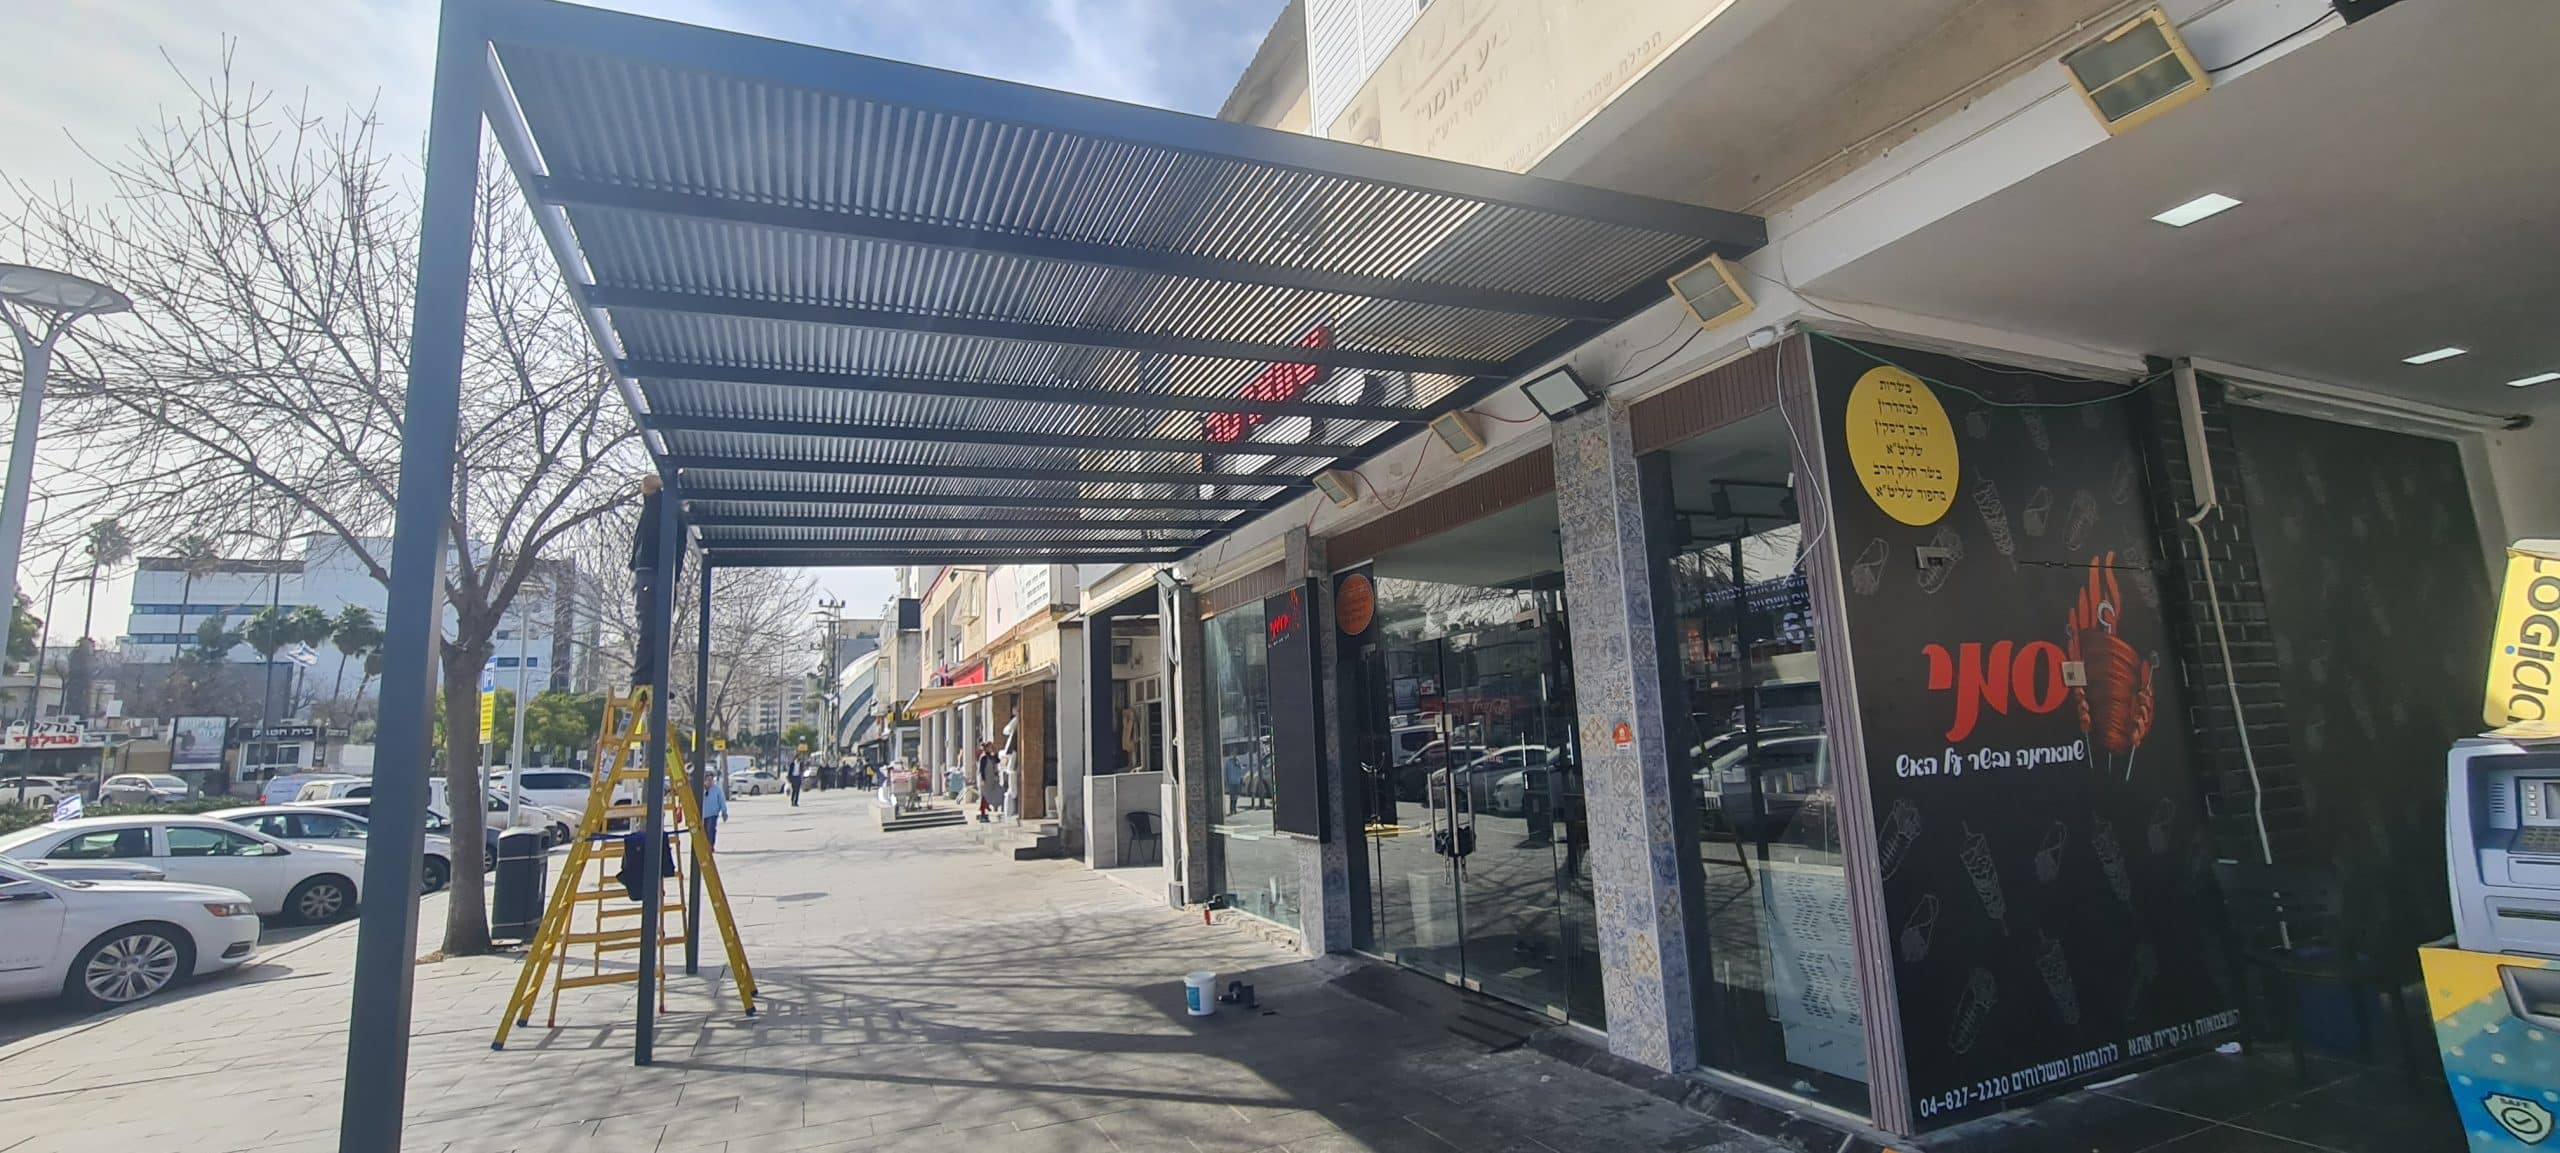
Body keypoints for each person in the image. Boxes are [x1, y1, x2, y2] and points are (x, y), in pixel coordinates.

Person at [628, 475, 683, 685]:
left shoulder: (682, 512)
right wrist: (672, 480)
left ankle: (657, 679)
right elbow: (648, 483)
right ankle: (641, 680)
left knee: (662, 631)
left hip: (667, 577)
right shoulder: (660, 500)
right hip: (649, 571)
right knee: (650, 628)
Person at [699, 772, 728, 847]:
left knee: (711, 829)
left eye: (712, 780)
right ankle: (705, 846)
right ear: (704, 780)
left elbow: (722, 801)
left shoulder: (717, 789)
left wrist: (724, 812)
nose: (710, 782)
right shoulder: (700, 789)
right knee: (704, 831)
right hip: (703, 814)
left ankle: (710, 845)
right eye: (708, 780)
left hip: (713, 813)